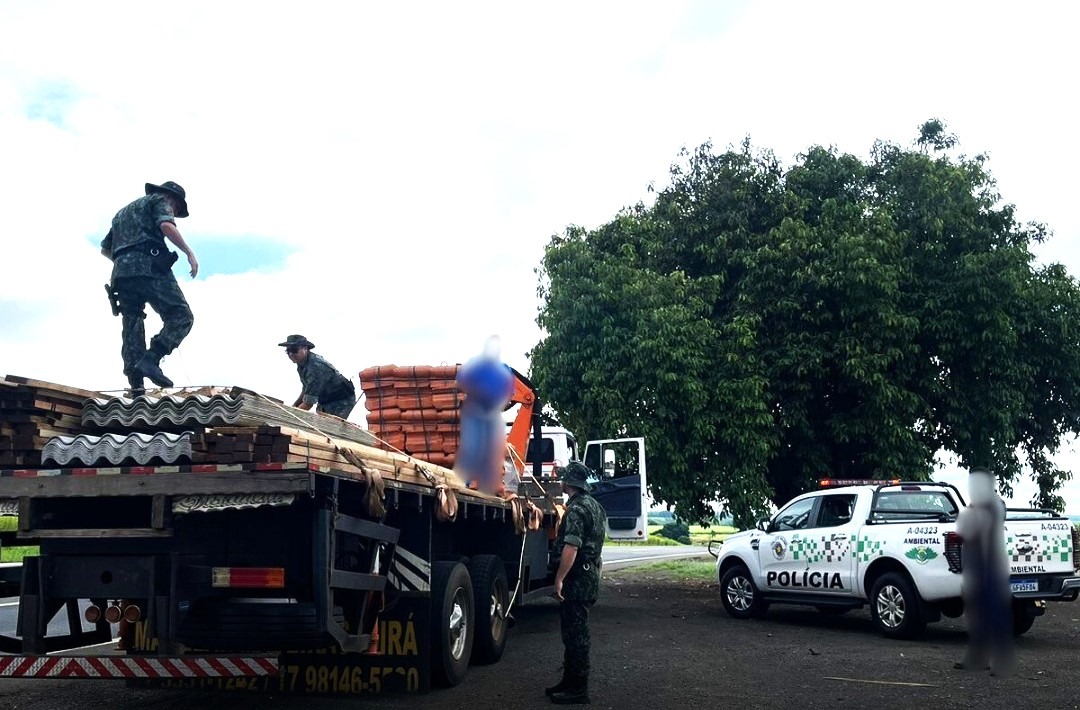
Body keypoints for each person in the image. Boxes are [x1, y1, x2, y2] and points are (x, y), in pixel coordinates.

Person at [101, 181, 198, 395]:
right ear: (173, 199)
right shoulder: (161, 201)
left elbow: (105, 249)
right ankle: (152, 358)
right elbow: (166, 225)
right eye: (177, 209)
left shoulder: (121, 214)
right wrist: (188, 252)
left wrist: (126, 262)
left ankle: (136, 384)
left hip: (121, 275)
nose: (174, 212)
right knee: (181, 316)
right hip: (150, 267)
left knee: (132, 322)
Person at [546, 461, 607, 705]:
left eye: (562, 477)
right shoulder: (595, 506)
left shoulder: (577, 510)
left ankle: (578, 689)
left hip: (577, 579)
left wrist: (559, 578)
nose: (560, 480)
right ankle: (569, 682)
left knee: (576, 635)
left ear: (569, 482)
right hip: (588, 574)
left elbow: (572, 546)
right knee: (572, 632)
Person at [954, 468, 1014, 676]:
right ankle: (977, 657)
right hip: (978, 570)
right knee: (978, 616)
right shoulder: (982, 505)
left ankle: (1001, 662)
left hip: (990, 571)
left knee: (995, 617)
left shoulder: (992, 505)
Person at [278, 334, 356, 418]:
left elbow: (308, 403)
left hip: (341, 399)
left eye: (294, 350)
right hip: (324, 399)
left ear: (305, 348)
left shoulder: (315, 367)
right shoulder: (301, 364)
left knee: (329, 426)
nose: (290, 354)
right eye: (288, 351)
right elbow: (306, 390)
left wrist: (291, 416)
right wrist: (293, 407)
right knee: (320, 420)